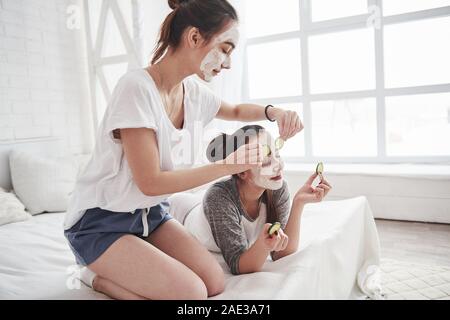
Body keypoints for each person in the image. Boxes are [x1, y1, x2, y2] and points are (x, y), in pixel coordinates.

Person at [63, 0, 303, 300]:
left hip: (150, 214)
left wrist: (274, 112)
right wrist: (229, 166)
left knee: (214, 284)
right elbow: (150, 182)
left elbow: (238, 110)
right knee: (191, 293)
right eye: (225, 49)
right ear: (194, 38)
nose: (227, 63)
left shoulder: (193, 93)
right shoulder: (136, 89)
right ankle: (97, 277)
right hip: (102, 222)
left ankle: (133, 257)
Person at [170, 125, 332, 275]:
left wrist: (298, 203)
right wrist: (262, 245)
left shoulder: (278, 188)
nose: (278, 165)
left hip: (205, 202)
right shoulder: (218, 198)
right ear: (242, 172)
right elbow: (238, 265)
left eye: (277, 153)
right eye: (265, 158)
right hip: (180, 210)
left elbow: (280, 252)